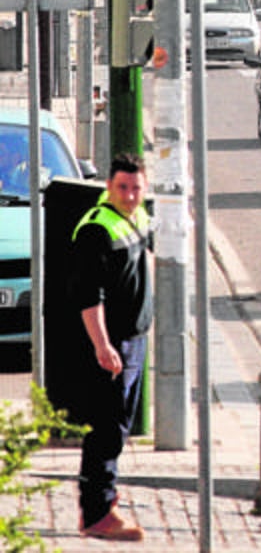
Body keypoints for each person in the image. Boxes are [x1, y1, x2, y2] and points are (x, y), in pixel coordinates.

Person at [68, 153, 152, 542]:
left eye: (136, 188)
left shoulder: (134, 218)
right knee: (106, 427)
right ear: (109, 187)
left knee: (117, 426)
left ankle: (105, 501)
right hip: (113, 345)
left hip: (134, 340)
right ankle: (97, 510)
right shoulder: (97, 229)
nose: (131, 195)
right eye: (123, 187)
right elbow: (90, 296)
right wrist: (103, 345)